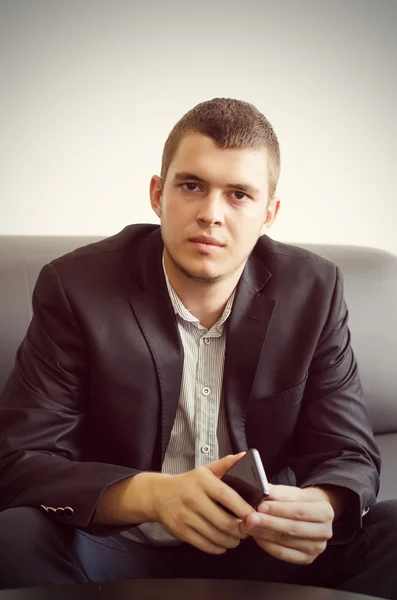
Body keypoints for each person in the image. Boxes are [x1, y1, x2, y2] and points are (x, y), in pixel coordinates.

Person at [0, 97, 396, 599]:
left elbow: (348, 451)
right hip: (116, 547)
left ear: (268, 213)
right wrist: (150, 496)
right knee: (14, 537)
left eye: (238, 195)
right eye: (192, 186)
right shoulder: (74, 287)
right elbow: (20, 461)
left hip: (267, 550)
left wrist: (325, 505)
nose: (212, 214)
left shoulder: (314, 292)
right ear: (157, 194)